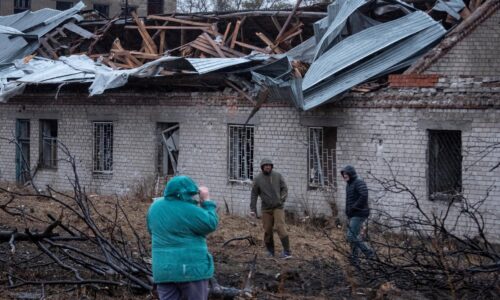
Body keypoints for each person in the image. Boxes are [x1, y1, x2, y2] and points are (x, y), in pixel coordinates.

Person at [147, 175, 218, 300]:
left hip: (163, 270)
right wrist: (207, 202)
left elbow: (151, 230)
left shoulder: (154, 207)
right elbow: (211, 223)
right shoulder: (190, 210)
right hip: (191, 270)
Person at [250, 158, 291, 259]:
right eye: (265, 165)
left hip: (278, 207)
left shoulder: (277, 175)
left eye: (269, 165)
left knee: (280, 227)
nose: (267, 167)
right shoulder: (258, 179)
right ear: (262, 167)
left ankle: (287, 251)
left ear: (271, 166)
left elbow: (284, 188)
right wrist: (253, 209)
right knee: (267, 229)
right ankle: (270, 251)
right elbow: (254, 194)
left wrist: (281, 200)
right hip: (266, 209)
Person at [340, 165, 374, 265]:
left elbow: (364, 195)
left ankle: (369, 252)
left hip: (359, 213)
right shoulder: (349, 184)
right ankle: (355, 259)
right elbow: (349, 200)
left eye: (346, 173)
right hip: (353, 214)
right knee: (354, 236)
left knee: (350, 236)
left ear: (351, 173)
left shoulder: (358, 182)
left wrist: (354, 208)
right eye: (343, 174)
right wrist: (348, 211)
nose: (345, 175)